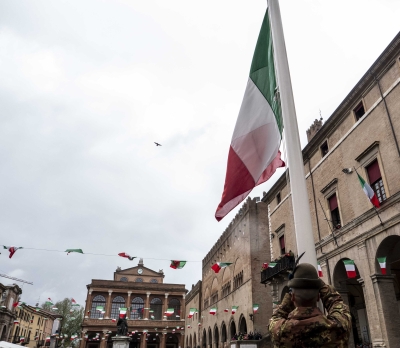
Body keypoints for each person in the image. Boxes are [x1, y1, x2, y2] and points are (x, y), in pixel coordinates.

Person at [269, 263, 351, 347]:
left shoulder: (280, 331)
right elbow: (336, 302)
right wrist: (321, 285)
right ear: (318, 297)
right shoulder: (339, 326)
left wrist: (290, 294)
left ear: (293, 298)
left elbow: (276, 316)